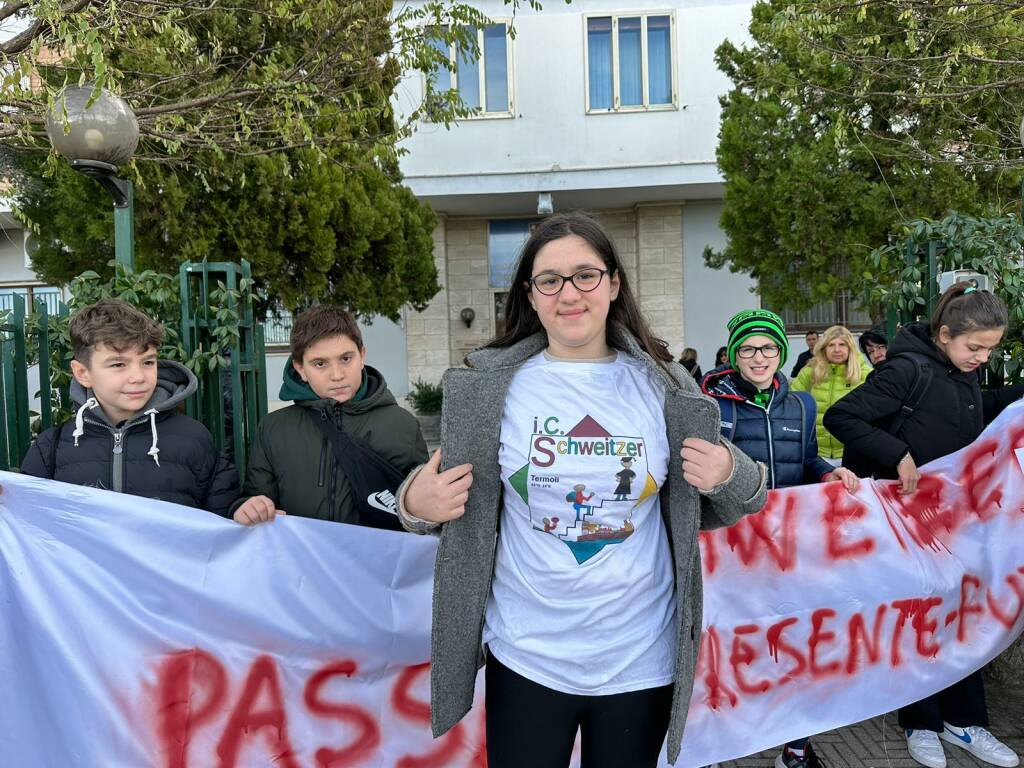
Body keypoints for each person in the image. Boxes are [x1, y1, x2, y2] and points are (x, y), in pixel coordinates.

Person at [397, 213, 767, 768]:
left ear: (614, 284)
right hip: (527, 655)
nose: (568, 294)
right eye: (550, 280)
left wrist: (728, 473)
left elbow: (747, 494)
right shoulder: (489, 388)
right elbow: (428, 487)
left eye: (585, 275)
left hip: (640, 658)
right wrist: (414, 506)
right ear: (531, 294)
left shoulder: (666, 386)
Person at [825, 283, 1024, 768]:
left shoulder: (961, 371)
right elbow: (841, 416)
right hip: (901, 524)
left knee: (962, 619)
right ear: (944, 333)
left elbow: (972, 412)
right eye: (974, 347)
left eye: (991, 349)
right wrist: (898, 455)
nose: (981, 357)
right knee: (917, 622)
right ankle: (920, 723)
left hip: (954, 525)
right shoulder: (906, 369)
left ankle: (965, 722)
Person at [701, 309, 858, 768]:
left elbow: (808, 459)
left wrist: (830, 473)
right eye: (748, 348)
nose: (759, 357)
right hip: (728, 549)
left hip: (786, 549)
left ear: (781, 353)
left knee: (793, 646)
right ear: (734, 354)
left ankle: (795, 746)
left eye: (768, 348)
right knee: (726, 648)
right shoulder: (710, 402)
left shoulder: (803, 404)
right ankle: (714, 743)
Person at [21, 298, 238, 515]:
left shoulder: (194, 439)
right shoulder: (52, 448)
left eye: (147, 362)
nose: (138, 377)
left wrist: (241, 509)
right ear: (82, 373)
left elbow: (224, 521)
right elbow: (27, 519)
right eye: (118, 364)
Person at [231, 305, 427, 527]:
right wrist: (247, 507)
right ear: (300, 368)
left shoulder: (403, 425)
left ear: (362, 355)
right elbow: (255, 498)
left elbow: (423, 516)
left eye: (346, 359)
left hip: (378, 561)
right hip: (300, 561)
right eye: (320, 364)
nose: (337, 375)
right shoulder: (273, 428)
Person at [791, 325, 868, 466]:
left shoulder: (865, 374)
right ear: (824, 348)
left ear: (850, 347)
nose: (837, 350)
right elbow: (792, 405)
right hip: (817, 455)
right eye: (831, 345)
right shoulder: (809, 372)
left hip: (855, 452)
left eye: (842, 344)